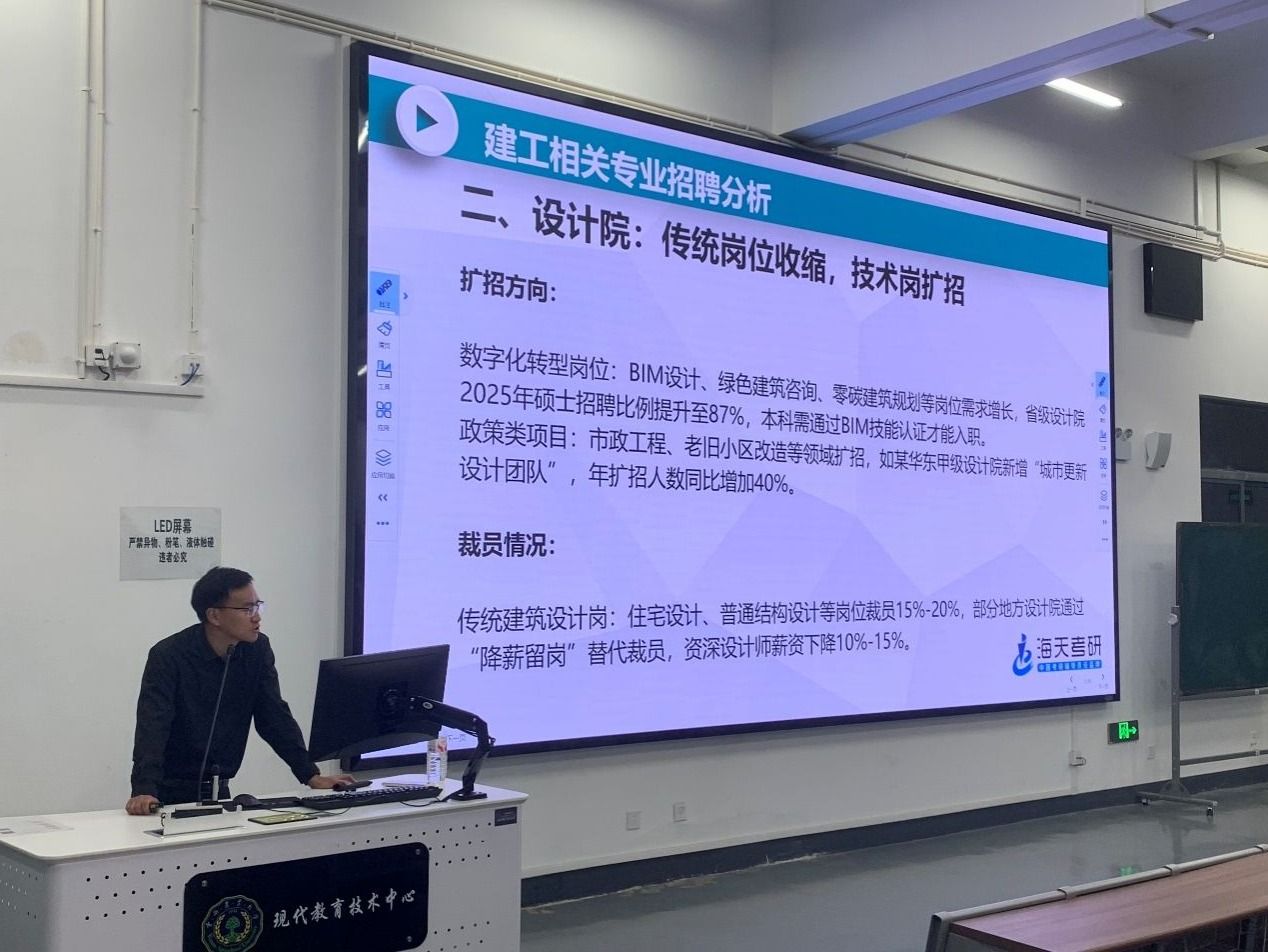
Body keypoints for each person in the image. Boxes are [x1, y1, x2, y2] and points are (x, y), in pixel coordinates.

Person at [125, 566, 354, 815]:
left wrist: (310, 774)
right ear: (214, 615)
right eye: (247, 609)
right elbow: (153, 726)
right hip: (167, 793)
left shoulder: (257, 650)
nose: (256, 617)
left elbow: (273, 717)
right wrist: (144, 789)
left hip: (221, 790)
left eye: (258, 606)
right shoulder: (169, 656)